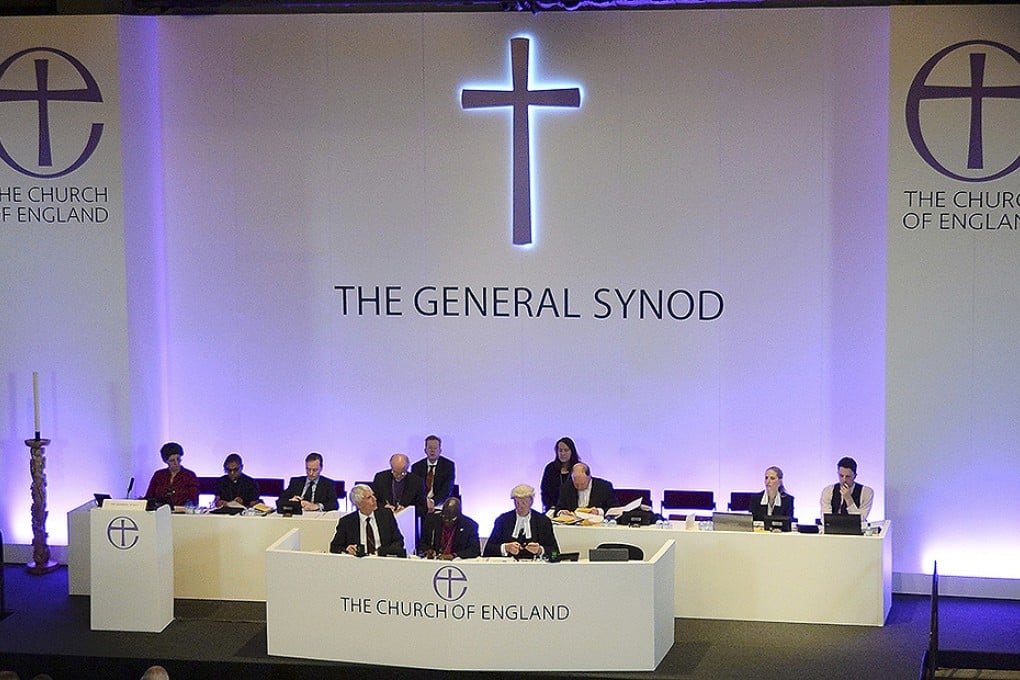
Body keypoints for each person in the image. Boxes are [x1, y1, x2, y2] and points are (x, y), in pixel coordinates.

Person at [482, 484, 558, 559]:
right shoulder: (503, 520)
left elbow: (555, 553)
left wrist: (540, 550)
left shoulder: (543, 521)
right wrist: (505, 548)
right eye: (517, 502)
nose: (520, 506)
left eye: (524, 503)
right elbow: (487, 551)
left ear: (531, 502)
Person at [329, 484, 404, 556]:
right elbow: (334, 547)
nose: (374, 499)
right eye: (369, 497)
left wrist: (386, 552)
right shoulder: (347, 522)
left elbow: (398, 541)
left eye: (373, 495)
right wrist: (347, 549)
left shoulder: (386, 515)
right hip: (358, 563)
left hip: (383, 561)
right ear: (359, 504)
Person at [143, 442, 199, 507]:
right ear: (165, 461)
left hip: (182, 514)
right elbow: (149, 496)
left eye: (178, 459)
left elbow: (194, 500)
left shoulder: (189, 476)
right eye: (172, 460)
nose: (176, 463)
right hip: (160, 512)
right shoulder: (159, 475)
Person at [410, 435, 456, 513]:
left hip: (440, 503)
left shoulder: (448, 465)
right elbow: (414, 489)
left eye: (435, 448)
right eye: (430, 448)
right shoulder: (416, 467)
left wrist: (433, 502)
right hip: (422, 504)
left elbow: (447, 488)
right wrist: (425, 502)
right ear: (425, 450)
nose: (432, 451)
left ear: (440, 450)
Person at [539, 437, 580, 512]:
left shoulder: (579, 468)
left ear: (572, 451)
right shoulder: (550, 468)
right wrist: (551, 507)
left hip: (574, 509)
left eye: (566, 450)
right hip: (553, 508)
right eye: (560, 450)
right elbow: (544, 490)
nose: (563, 453)